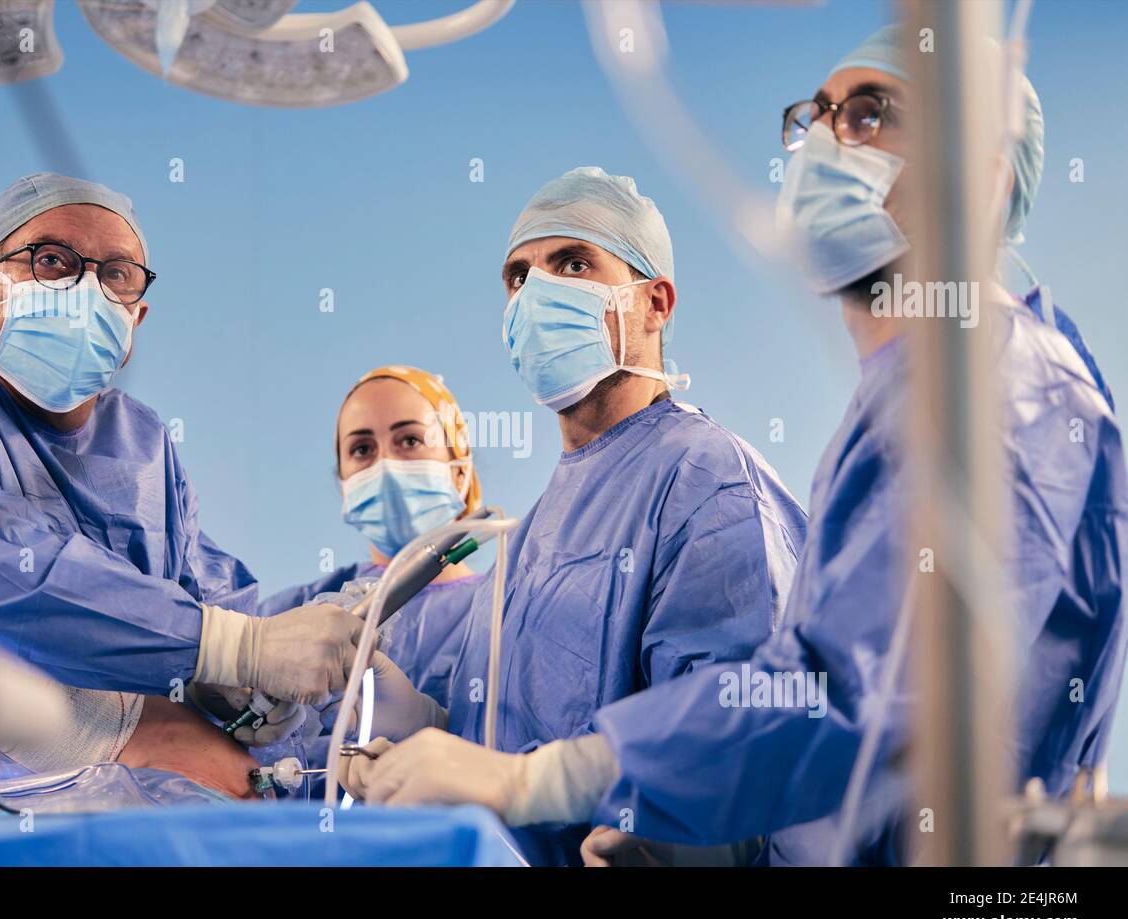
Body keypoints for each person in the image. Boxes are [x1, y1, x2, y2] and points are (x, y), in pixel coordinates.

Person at [344, 27, 1128, 867]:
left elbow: (856, 690)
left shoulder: (1008, 389)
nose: (826, 141)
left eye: (870, 115)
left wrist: (546, 783)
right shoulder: (903, 406)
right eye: (816, 116)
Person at [342, 167, 810, 865]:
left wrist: (655, 845)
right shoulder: (527, 541)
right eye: (518, 276)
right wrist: (427, 734)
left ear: (656, 303)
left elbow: (740, 737)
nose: (537, 293)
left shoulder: (705, 478)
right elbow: (512, 752)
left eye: (572, 263)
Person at [0, 173, 365, 795]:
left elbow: (207, 595)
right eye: (51, 261)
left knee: (264, 784)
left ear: (134, 318)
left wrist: (283, 697)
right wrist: (227, 647)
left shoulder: (142, 441)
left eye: (115, 274)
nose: (84, 290)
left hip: (102, 785)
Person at [255, 365, 485, 708]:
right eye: (362, 449)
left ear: (460, 471)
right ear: (343, 483)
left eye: (410, 440)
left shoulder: (500, 610)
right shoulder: (297, 612)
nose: (386, 466)